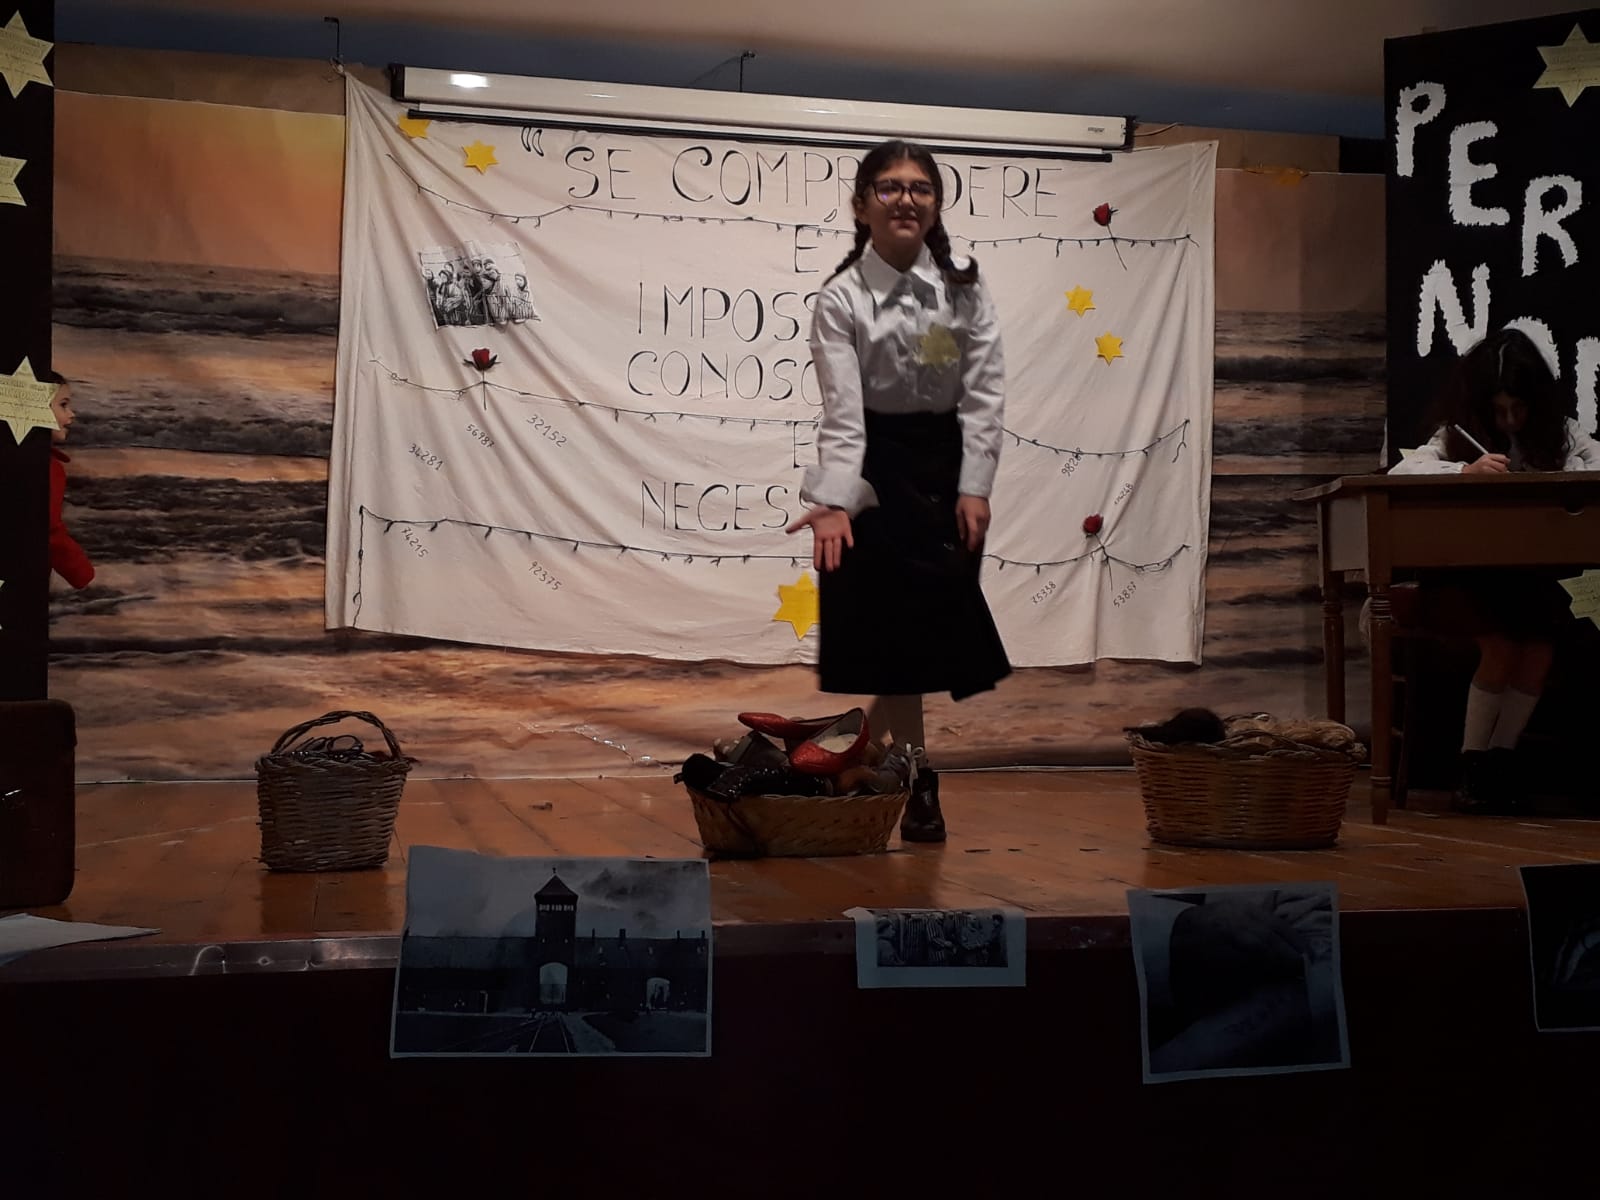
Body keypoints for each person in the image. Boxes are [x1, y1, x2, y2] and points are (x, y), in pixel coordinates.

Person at [785, 139, 1011, 843]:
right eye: (889, 187)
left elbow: (984, 392)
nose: (906, 198)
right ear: (862, 206)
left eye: (920, 187)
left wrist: (975, 485)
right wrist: (836, 500)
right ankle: (915, 776)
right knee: (901, 642)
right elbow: (842, 412)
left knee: (927, 636)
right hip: (876, 471)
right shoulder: (841, 298)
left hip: (945, 472)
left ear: (935, 204)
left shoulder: (964, 289)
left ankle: (836, 752)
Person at [1389, 327, 1600, 814]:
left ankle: (1498, 762)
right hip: (1467, 579)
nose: (1509, 421)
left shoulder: (1564, 433)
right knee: (1502, 648)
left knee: (1539, 652)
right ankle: (1472, 763)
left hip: (1533, 578)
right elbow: (1405, 471)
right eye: (1499, 411)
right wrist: (1463, 472)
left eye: (1518, 409)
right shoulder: (1453, 435)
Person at [43, 369, 95, 590]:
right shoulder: (47, 468)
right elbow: (48, 528)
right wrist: (81, 572)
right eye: (63, 405)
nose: (71, 414)